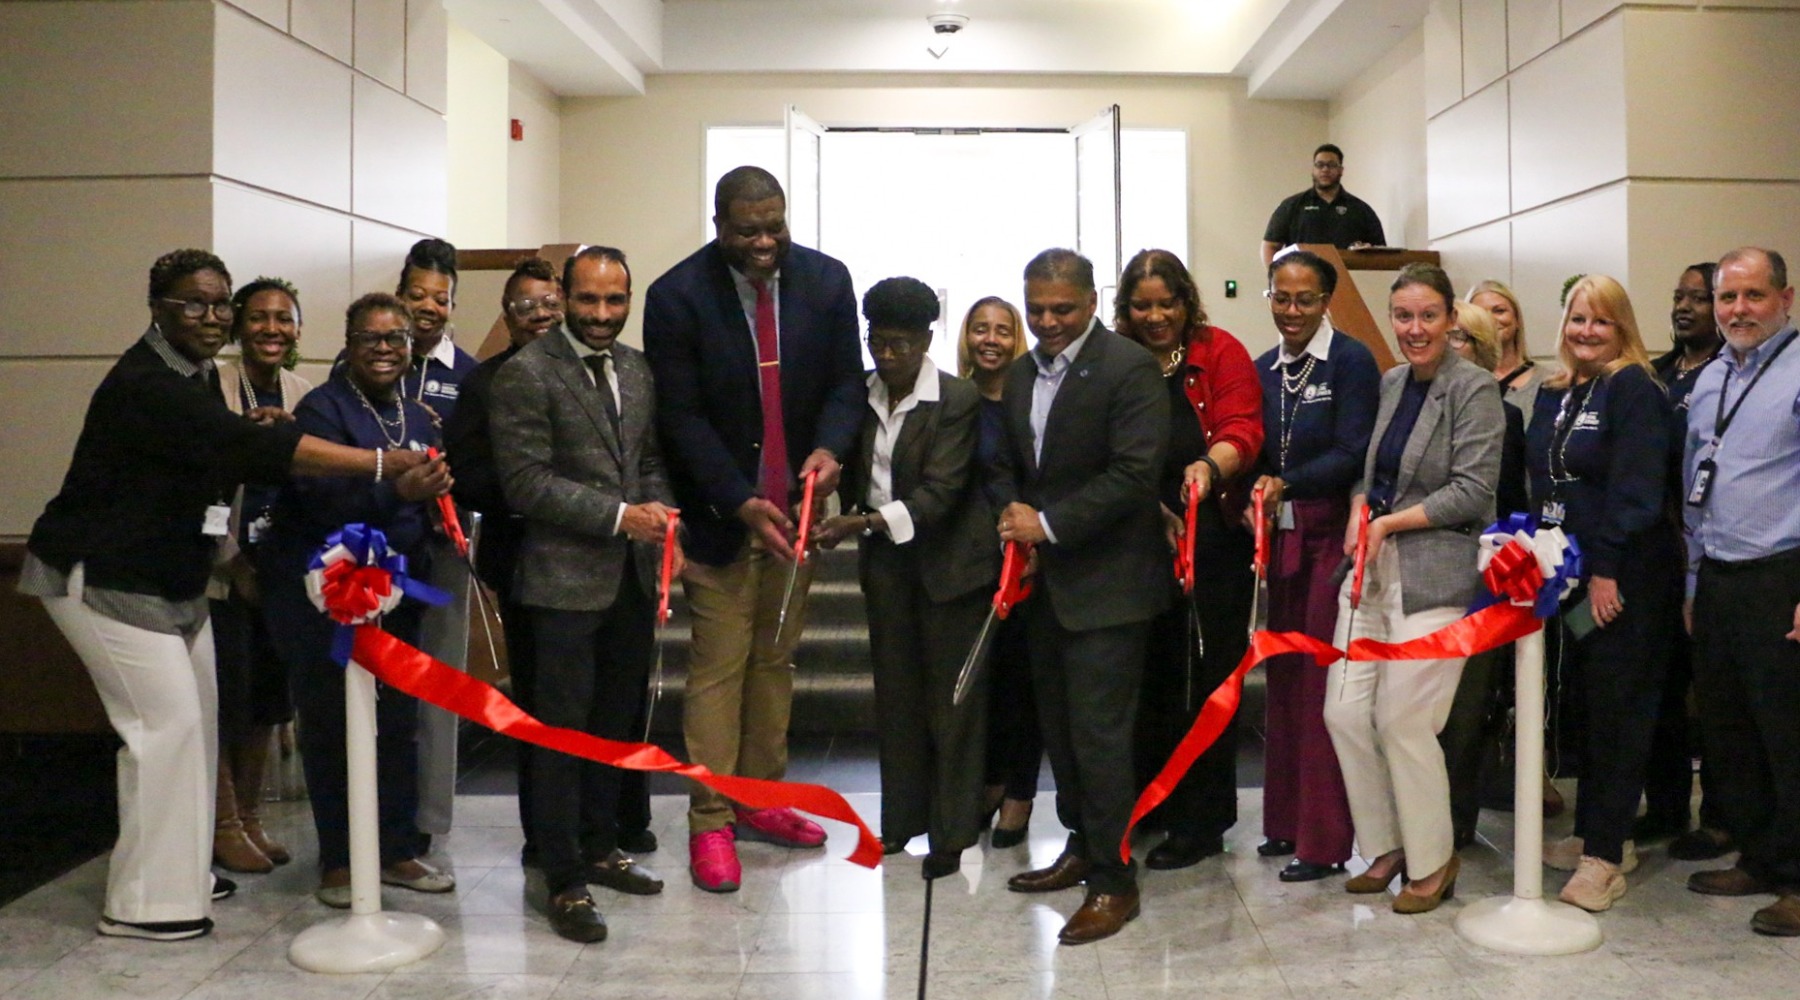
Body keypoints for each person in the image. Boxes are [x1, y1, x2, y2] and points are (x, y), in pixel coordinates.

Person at [19, 250, 433, 941]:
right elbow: (259, 452)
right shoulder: (146, 382)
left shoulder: (201, 376)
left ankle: (179, 869)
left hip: (174, 579)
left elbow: (233, 450)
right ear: (157, 307)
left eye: (219, 304)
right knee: (165, 731)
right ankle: (145, 904)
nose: (211, 318)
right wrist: (384, 462)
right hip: (102, 575)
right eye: (193, 304)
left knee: (198, 729)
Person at [642, 166, 864, 892]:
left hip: (798, 517)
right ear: (719, 225)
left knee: (775, 662)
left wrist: (830, 449)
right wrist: (737, 499)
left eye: (776, 225)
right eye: (748, 230)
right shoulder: (676, 297)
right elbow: (681, 416)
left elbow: (843, 384)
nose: (766, 241)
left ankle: (760, 801)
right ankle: (710, 820)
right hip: (724, 518)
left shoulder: (827, 282)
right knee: (718, 669)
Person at [488, 246, 680, 942]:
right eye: (589, 300)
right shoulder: (527, 373)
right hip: (560, 585)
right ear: (565, 297)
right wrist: (619, 517)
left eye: (615, 301)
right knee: (559, 734)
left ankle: (602, 847)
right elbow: (526, 482)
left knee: (612, 726)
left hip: (628, 578)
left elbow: (649, 459)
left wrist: (661, 514)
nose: (602, 315)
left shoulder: (636, 368)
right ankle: (560, 877)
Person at [994, 248, 1168, 945]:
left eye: (1061, 309)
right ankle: (1082, 848)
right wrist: (1013, 516)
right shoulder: (1018, 374)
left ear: (1092, 301)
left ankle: (1114, 880)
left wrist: (1049, 526)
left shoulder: (1129, 368)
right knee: (1063, 737)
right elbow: (1014, 464)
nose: (1047, 322)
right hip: (1047, 591)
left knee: (1100, 741)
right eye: (1035, 309)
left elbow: (1133, 475)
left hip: (1111, 590)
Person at [260, 292, 457, 910]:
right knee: (332, 724)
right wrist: (398, 490)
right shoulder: (321, 410)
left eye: (396, 338)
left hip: (398, 593)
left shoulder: (419, 416)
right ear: (348, 344)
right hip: (327, 598)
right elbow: (323, 502)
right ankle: (341, 861)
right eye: (371, 338)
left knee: (398, 725)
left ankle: (396, 850)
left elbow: (421, 499)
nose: (384, 348)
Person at [1322, 262, 1502, 915]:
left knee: (1403, 719)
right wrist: (1359, 509)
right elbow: (1374, 473)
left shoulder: (1474, 388)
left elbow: (1474, 491)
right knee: (1342, 710)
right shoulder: (1393, 382)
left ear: (1452, 318)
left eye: (1428, 315)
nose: (1414, 329)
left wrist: (1390, 521)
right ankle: (1387, 845)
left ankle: (1434, 860)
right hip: (1373, 568)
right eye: (1403, 316)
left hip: (1438, 570)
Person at [813, 277, 998, 878]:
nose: (887, 355)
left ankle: (953, 831)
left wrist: (859, 522)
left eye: (900, 344)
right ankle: (901, 824)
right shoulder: (857, 397)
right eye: (878, 342)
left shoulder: (956, 398)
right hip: (887, 567)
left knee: (952, 703)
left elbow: (941, 493)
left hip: (951, 567)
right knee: (896, 699)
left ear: (925, 339)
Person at [1527, 276, 1679, 912]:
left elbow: (1637, 489)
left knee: (1620, 711)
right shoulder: (1557, 392)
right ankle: (1598, 831)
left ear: (1623, 329)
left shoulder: (1634, 389)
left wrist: (1607, 568)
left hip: (1624, 577)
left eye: (1601, 322)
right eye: (1576, 319)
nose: (1586, 331)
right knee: (1589, 709)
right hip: (1570, 575)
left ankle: (1605, 859)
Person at [1115, 249, 1263, 871]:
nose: (1156, 317)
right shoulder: (1115, 361)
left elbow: (1243, 428)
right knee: (1147, 680)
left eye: (1166, 303)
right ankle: (1149, 804)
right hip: (1132, 542)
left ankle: (1201, 820)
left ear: (1187, 301)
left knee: (1205, 681)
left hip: (1211, 541)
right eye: (1142, 305)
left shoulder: (1218, 350)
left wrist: (1208, 467)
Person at [1682, 247, 1800, 937]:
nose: (1738, 311)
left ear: (1786, 299)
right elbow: (1698, 483)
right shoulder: (1712, 377)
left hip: (1781, 574)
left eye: (1754, 296)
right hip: (1720, 576)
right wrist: (1695, 581)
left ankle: (1797, 879)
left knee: (1788, 735)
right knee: (1732, 735)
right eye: (1727, 298)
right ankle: (1759, 856)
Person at [1250, 249, 1379, 881]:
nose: (1292, 310)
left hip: (1331, 541)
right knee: (1282, 688)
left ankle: (1323, 841)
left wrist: (1284, 482)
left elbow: (1354, 450)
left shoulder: (1350, 361)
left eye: (1305, 299)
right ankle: (1283, 824)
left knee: (1321, 692)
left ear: (1326, 301)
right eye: (1281, 297)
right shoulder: (1263, 367)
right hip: (1279, 543)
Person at [207, 276, 312, 874]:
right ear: (239, 324)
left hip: (280, 573)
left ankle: (249, 819)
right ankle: (221, 824)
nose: (272, 328)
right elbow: (201, 487)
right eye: (259, 317)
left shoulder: (305, 393)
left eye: (284, 318)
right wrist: (233, 562)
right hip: (222, 573)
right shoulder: (214, 386)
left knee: (270, 700)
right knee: (229, 697)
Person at [1641, 262, 1731, 860]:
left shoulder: (1729, 375)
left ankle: (1722, 815)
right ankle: (1667, 806)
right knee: (1664, 685)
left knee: (1716, 693)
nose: (1685, 307)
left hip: (1709, 546)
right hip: (1659, 547)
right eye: (1679, 296)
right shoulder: (1654, 375)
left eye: (1699, 298)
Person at [392, 237, 479, 853]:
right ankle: (380, 817)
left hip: (447, 546)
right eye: (417, 294)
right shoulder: (368, 359)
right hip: (379, 548)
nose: (428, 307)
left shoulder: (469, 374)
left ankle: (430, 824)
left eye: (441, 299)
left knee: (439, 685)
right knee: (382, 684)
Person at [1438, 297, 1528, 849]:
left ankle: (1455, 821)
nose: (1449, 346)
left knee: (1467, 712)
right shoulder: (1409, 401)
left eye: (1460, 338)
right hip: (1422, 576)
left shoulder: (1506, 415)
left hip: (1482, 578)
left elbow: (1511, 503)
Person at [960, 297, 1040, 848]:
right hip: (969, 562)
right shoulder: (954, 400)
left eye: (1003, 330)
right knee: (985, 685)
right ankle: (988, 782)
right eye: (981, 329)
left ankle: (1020, 794)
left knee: (1023, 682)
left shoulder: (1030, 400)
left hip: (1026, 559)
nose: (991, 339)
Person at [1260, 144, 1387, 265]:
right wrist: (1278, 278)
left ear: (1341, 170)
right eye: (1320, 165)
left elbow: (1381, 252)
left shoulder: (1361, 210)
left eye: (1331, 165)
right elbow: (1270, 247)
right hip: (1302, 282)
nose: (1325, 169)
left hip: (1350, 282)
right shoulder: (1291, 206)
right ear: (1313, 169)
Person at [1468, 279, 1546, 427]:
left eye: (1499, 311)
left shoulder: (1548, 382)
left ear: (1516, 319)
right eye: (1481, 313)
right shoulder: (1458, 381)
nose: (1490, 319)